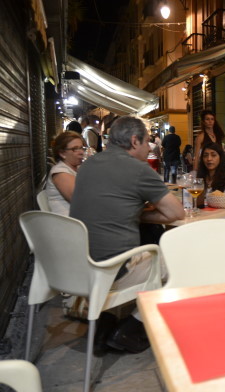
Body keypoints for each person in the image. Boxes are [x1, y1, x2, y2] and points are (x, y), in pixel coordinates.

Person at [70, 116, 184, 353]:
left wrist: (131, 214)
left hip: (78, 266)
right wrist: (140, 216)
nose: (148, 148)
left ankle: (104, 324)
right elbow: (175, 212)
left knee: (136, 241)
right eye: (146, 143)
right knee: (180, 263)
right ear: (134, 141)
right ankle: (131, 328)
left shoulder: (87, 165)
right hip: (114, 269)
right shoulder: (139, 169)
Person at [45, 131, 85, 215]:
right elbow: (79, 200)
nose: (81, 152)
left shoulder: (77, 168)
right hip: (68, 223)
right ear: (62, 153)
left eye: (81, 148)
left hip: (80, 218)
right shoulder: (60, 172)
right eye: (75, 149)